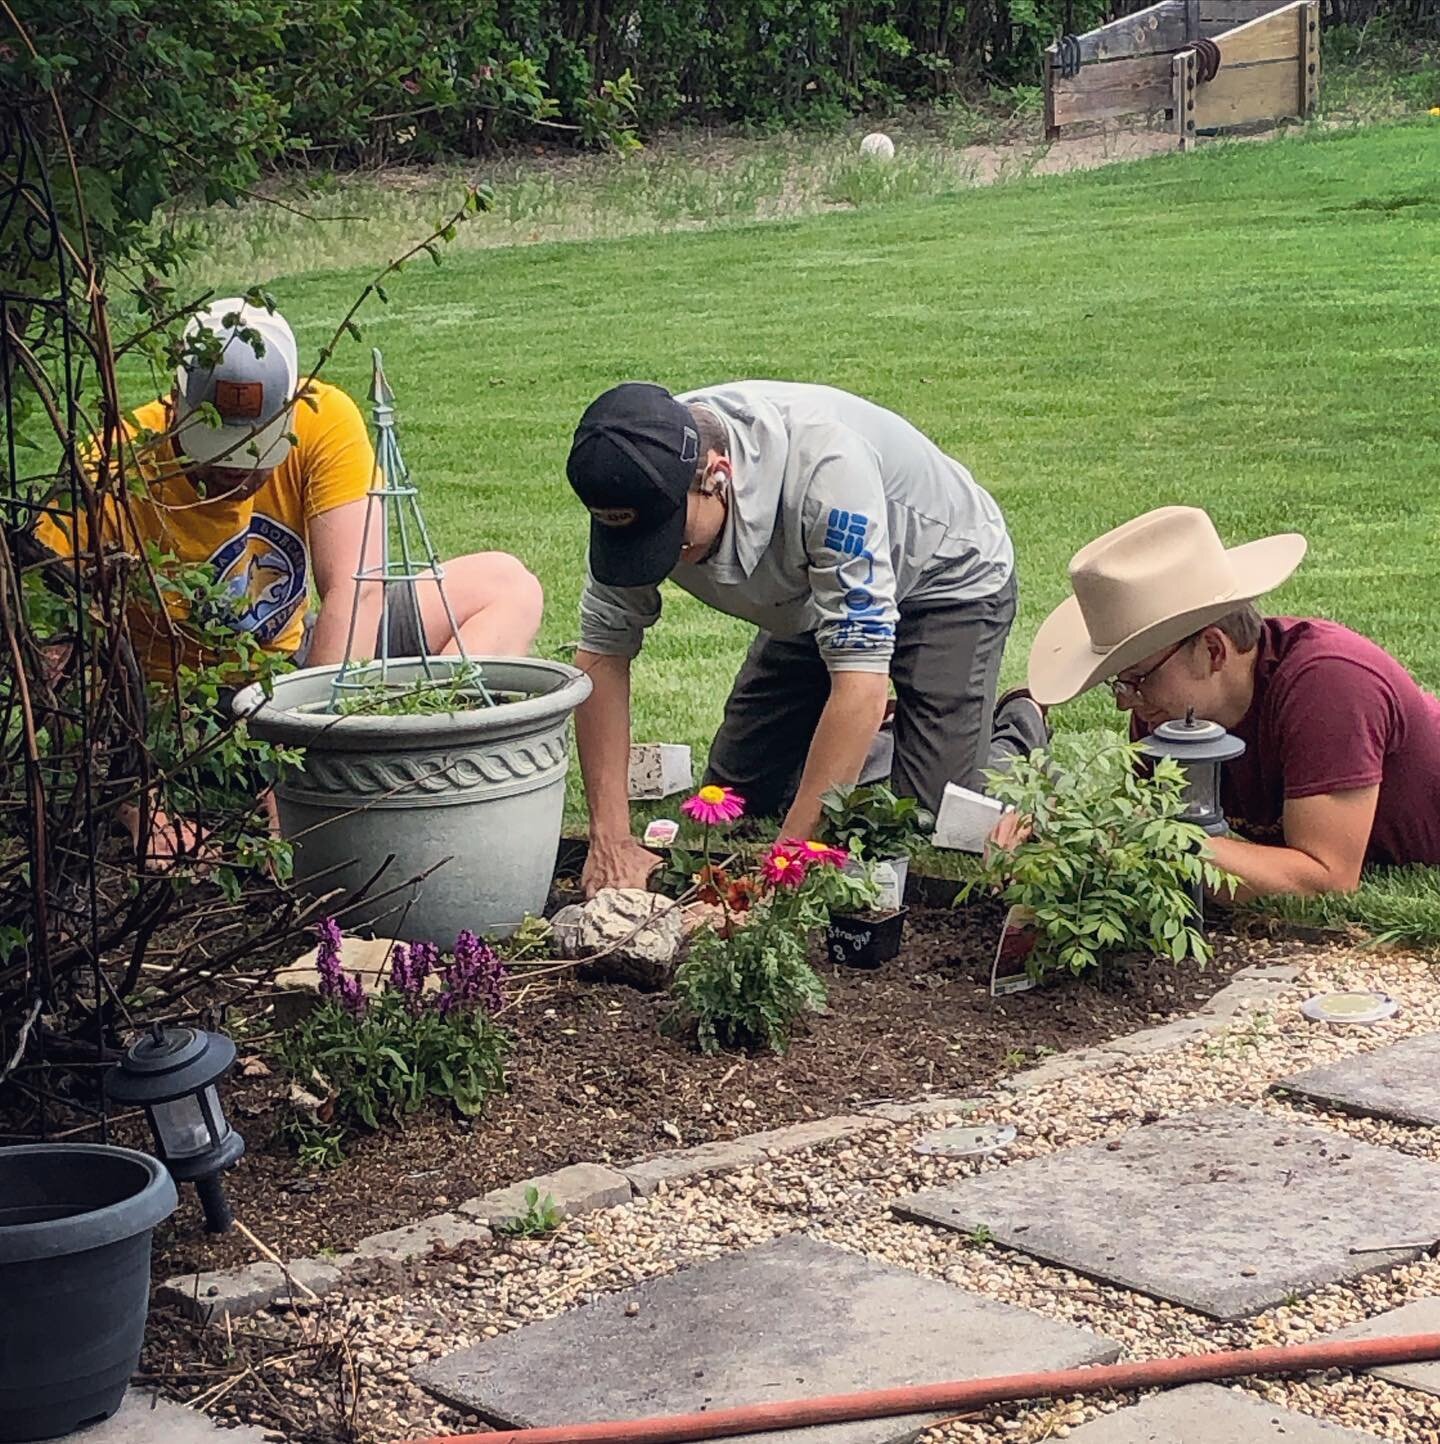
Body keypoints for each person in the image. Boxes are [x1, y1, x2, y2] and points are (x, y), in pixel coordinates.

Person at [35, 299, 542, 859]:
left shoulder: (323, 415)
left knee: (507, 586)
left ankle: (424, 771)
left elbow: (357, 588)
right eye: (218, 449)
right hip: (177, 714)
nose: (241, 469)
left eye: (259, 448)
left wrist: (304, 766)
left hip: (295, 678)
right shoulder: (109, 469)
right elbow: (59, 663)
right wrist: (136, 801)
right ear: (175, 404)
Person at [564, 379, 1045, 897]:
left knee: (927, 816)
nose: (656, 558)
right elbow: (602, 657)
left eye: (668, 539)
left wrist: (785, 865)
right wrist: (608, 837)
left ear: (717, 477)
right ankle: (877, 733)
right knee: (736, 797)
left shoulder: (826, 473)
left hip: (946, 578)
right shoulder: (635, 465)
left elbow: (860, 680)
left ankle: (1020, 723)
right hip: (812, 597)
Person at [1023, 505, 1440, 895]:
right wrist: (1061, 827)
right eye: (1120, 683)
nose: (1124, 703)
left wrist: (1144, 845)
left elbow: (1325, 878)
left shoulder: (1329, 686)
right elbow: (1148, 826)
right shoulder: (1163, 712)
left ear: (1213, 650)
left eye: (1137, 679)